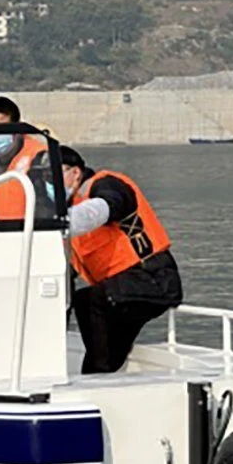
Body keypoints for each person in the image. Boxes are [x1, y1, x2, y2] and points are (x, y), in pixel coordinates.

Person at [59, 146, 183, 374]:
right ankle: (99, 370)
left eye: (55, 176)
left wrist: (70, 219)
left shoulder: (103, 185)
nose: (52, 185)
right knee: (79, 300)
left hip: (153, 279)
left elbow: (113, 202)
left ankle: (100, 372)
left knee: (92, 300)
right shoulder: (71, 210)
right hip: (121, 291)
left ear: (75, 172)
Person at [0, 96, 49, 221]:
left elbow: (47, 209)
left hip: (27, 234)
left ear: (17, 129)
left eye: (2, 129)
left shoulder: (40, 160)